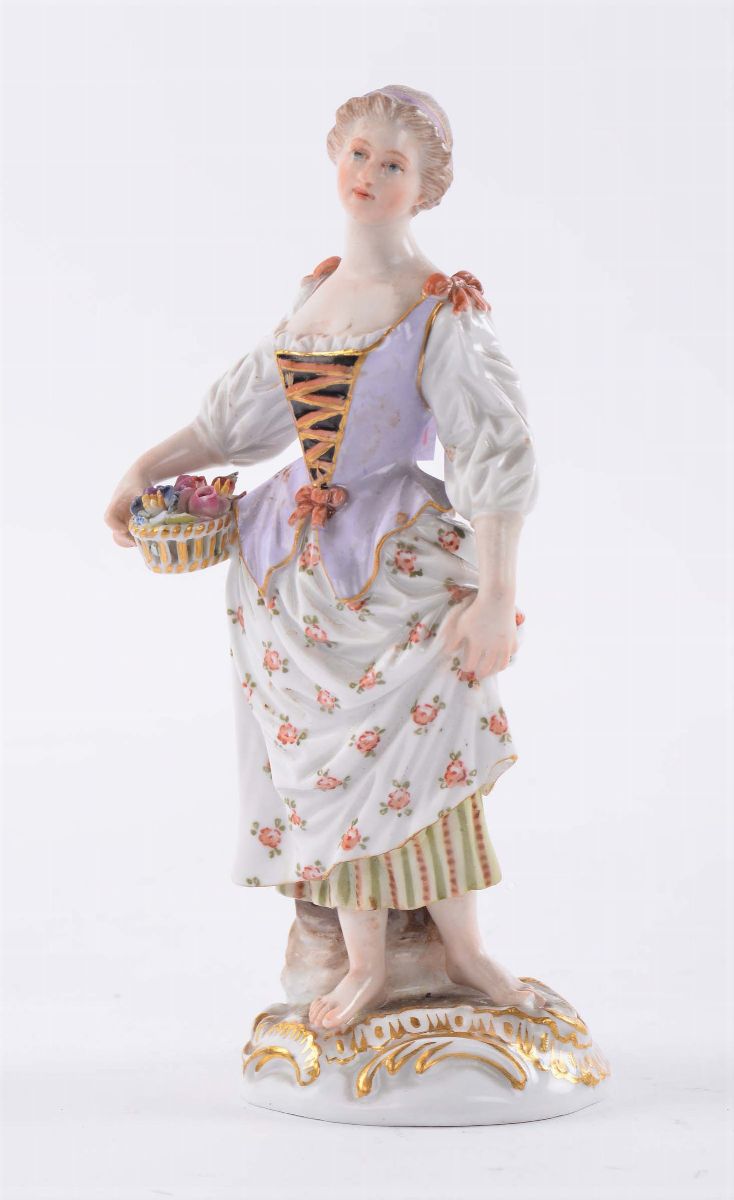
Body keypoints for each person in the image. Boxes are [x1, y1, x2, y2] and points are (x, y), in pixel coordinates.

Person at [104, 85, 545, 1034]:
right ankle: (363, 961)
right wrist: (147, 467)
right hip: (288, 576)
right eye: (358, 152)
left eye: (394, 163)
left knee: (426, 751)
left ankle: (462, 951)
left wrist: (496, 594)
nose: (368, 174)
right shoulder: (316, 295)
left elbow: (493, 451)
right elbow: (236, 420)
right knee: (318, 769)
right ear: (333, 156)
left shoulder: (439, 307)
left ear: (426, 188)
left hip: (395, 566)